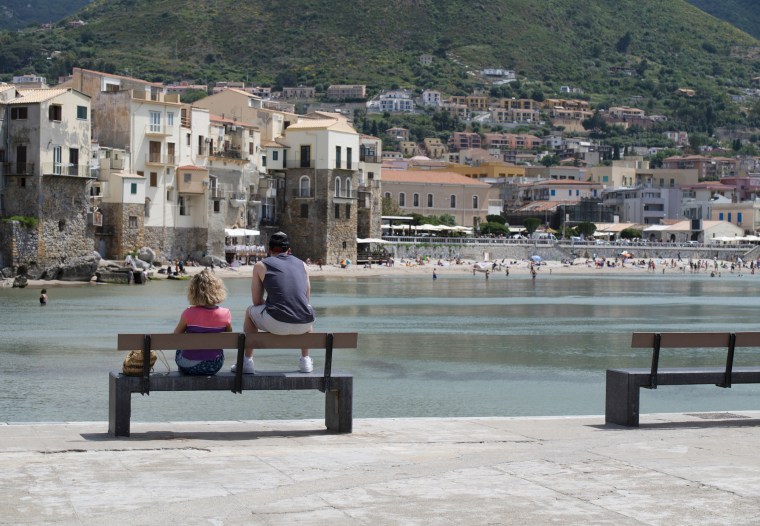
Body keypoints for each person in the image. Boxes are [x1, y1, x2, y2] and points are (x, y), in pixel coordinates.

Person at [234, 232, 316, 374]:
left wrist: (272, 305)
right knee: (305, 309)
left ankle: (247, 361)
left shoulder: (261, 265)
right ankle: (305, 361)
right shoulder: (303, 265)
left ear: (269, 249)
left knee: (249, 311)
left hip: (276, 322)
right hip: (303, 325)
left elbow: (257, 301)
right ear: (288, 250)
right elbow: (305, 299)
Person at [173, 269, 232, 375]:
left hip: (188, 366)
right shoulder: (226, 313)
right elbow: (229, 338)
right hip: (214, 366)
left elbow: (175, 336)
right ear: (217, 290)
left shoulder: (188, 313)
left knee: (181, 343)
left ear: (193, 291)